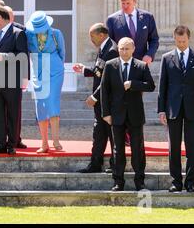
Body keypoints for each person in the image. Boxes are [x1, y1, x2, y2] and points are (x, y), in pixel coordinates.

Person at [158, 25, 194, 193]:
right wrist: (161, 110)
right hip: (173, 108)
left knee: (192, 146)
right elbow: (163, 85)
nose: (181, 44)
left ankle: (190, 182)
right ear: (174, 38)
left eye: (184, 41)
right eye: (178, 41)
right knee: (173, 147)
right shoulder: (167, 58)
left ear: (189, 39)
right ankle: (176, 182)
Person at [101, 37, 155, 191]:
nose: (124, 51)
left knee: (138, 148)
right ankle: (118, 181)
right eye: (121, 49)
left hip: (135, 113)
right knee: (118, 149)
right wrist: (106, 113)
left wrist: (133, 84)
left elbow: (151, 85)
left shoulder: (141, 65)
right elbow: (105, 90)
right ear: (118, 49)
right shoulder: (110, 66)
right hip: (116, 114)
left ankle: (140, 181)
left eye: (127, 48)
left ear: (133, 49)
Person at [73, 23, 118, 173]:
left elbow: (108, 80)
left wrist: (94, 96)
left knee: (112, 134)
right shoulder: (104, 48)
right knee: (99, 133)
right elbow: (99, 71)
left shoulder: (111, 50)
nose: (91, 40)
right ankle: (95, 164)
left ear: (101, 35)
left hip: (108, 100)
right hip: (101, 100)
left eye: (92, 36)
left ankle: (115, 164)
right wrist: (84, 69)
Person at [0, 6, 29, 155]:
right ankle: (0, 143)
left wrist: (5, 56)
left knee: (13, 114)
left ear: (0, 18)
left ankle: (11, 144)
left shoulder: (18, 34)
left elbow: (23, 56)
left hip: (12, 81)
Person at [25, 11, 65, 153]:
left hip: (54, 69)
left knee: (53, 103)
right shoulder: (28, 34)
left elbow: (62, 53)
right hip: (38, 70)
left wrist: (57, 66)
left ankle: (56, 140)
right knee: (40, 105)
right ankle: (44, 143)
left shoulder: (56, 33)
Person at [106, 0, 159, 64]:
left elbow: (154, 39)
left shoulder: (147, 17)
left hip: (141, 64)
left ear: (134, 2)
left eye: (128, 3)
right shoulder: (112, 20)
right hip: (120, 65)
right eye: (123, 3)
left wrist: (149, 55)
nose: (125, 6)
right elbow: (110, 44)